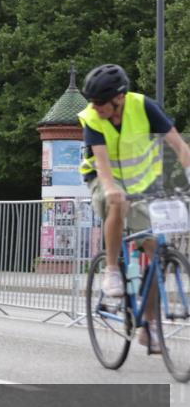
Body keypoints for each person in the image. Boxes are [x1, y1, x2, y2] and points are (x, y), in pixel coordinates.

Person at [78, 63, 190, 352]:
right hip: (103, 180)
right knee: (117, 201)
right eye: (93, 101)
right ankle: (112, 269)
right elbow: (102, 164)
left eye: (101, 102)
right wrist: (113, 189)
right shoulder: (93, 118)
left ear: (120, 97)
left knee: (156, 251)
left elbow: (180, 147)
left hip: (142, 184)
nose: (96, 106)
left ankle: (148, 324)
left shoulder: (145, 107)